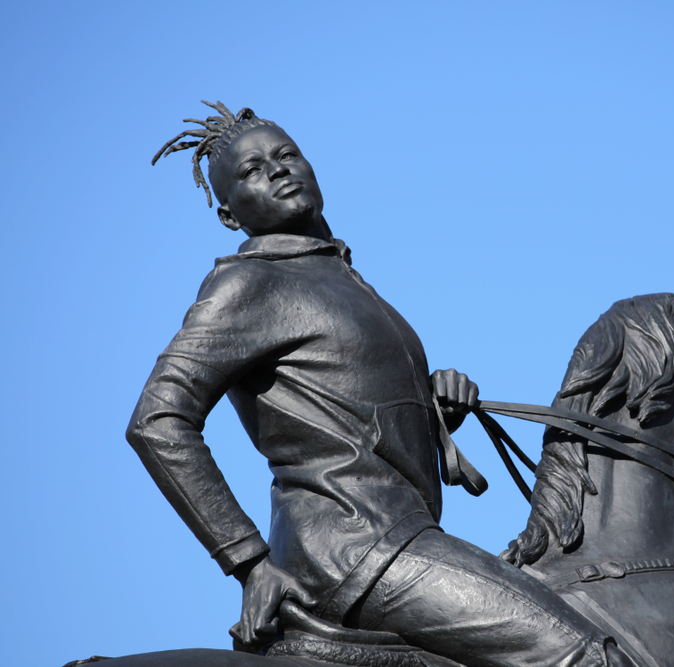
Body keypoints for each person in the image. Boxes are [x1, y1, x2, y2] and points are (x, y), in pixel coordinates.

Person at [128, 102, 631, 667]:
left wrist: (435, 407)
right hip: (356, 548)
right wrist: (247, 559)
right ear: (228, 215)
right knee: (586, 655)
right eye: (250, 171)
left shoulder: (339, 278)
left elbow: (346, 417)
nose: (276, 169)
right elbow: (157, 420)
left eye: (286, 154)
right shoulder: (248, 283)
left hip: (394, 538)